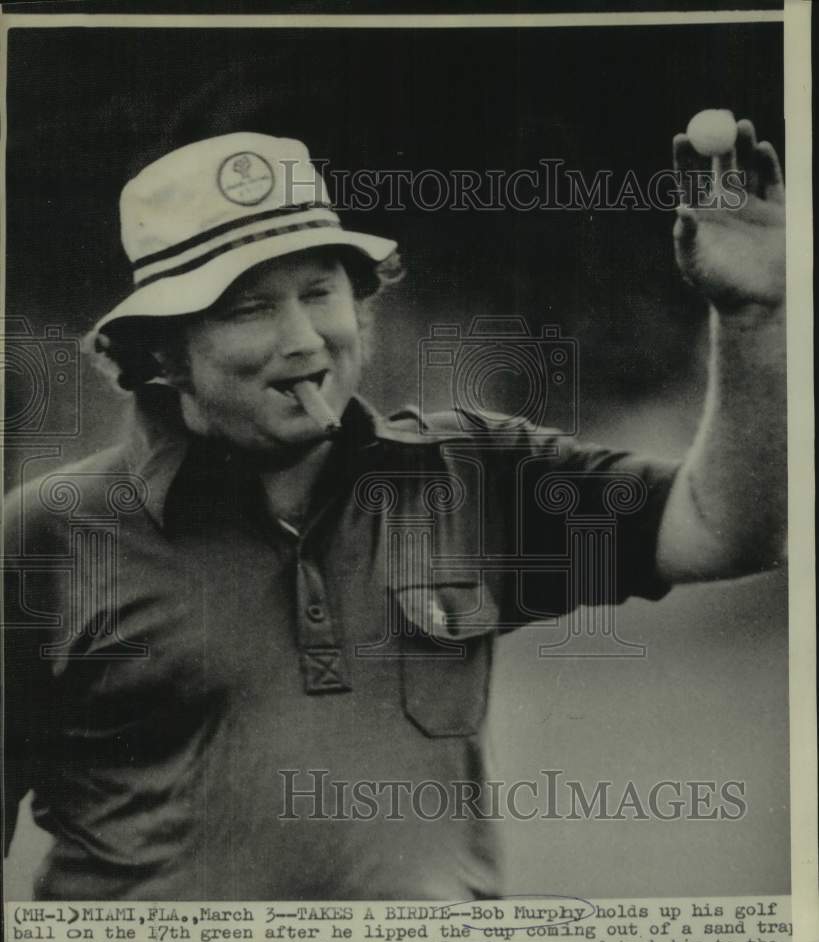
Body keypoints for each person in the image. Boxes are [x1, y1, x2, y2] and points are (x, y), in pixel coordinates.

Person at [3, 127, 785, 900]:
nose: (303, 339)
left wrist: (750, 319)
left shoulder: (470, 472)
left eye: (319, 293)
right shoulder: (52, 532)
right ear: (162, 352)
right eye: (250, 310)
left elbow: (723, 529)